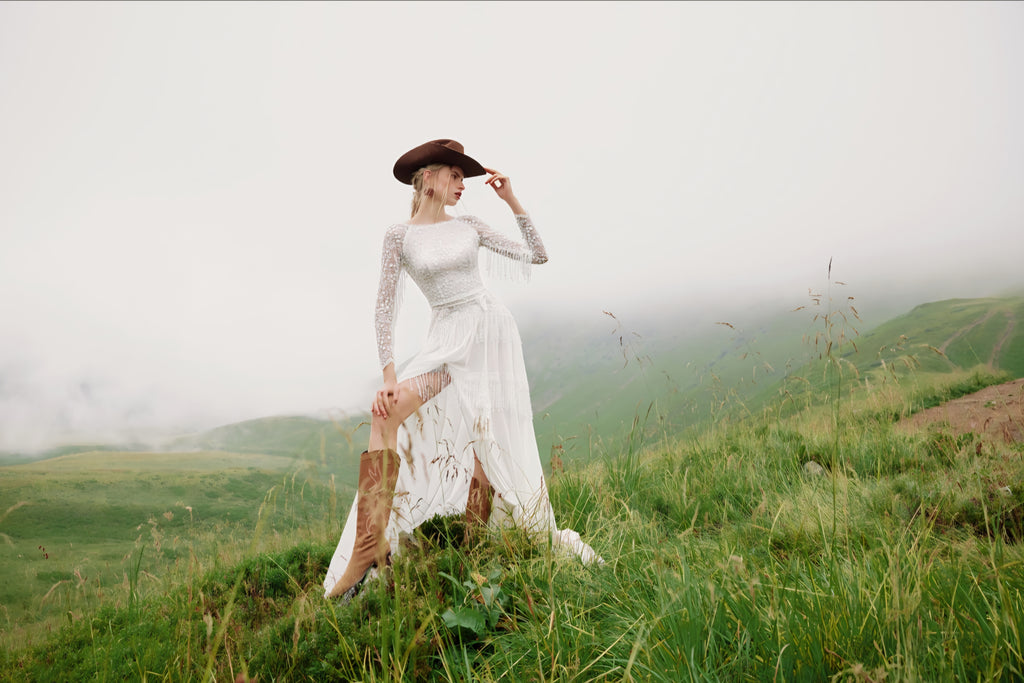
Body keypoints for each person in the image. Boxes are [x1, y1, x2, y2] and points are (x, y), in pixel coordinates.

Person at [323, 139, 600, 600]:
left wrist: (511, 199)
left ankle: (471, 550)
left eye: (463, 178)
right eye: (454, 175)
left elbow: (537, 254)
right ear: (428, 177)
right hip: (446, 342)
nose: (462, 185)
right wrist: (389, 378)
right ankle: (370, 547)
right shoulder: (399, 236)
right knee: (385, 414)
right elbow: (383, 309)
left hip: (489, 335)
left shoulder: (469, 225)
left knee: (485, 443)